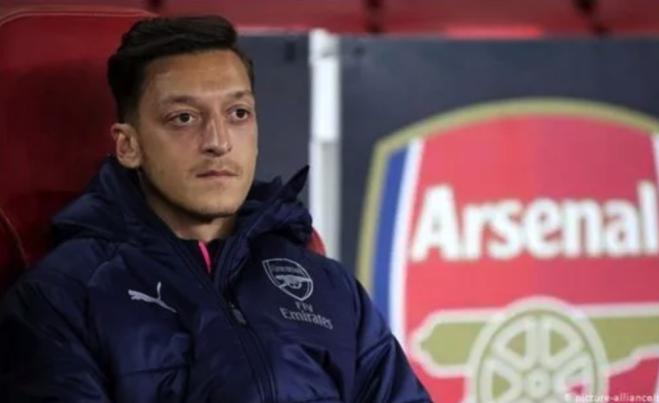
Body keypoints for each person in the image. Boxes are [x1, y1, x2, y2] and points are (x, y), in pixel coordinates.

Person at [0, 16, 430, 403]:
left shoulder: (328, 286)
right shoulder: (61, 297)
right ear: (128, 146)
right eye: (184, 118)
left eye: (238, 113)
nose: (219, 141)